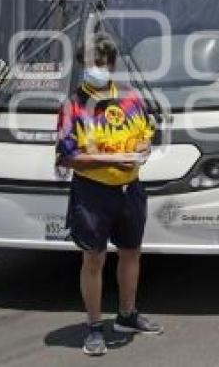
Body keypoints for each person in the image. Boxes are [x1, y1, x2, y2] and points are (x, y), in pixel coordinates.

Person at [56, 33, 163, 357]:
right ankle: (93, 326)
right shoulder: (73, 106)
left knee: (131, 252)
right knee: (94, 259)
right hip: (92, 192)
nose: (94, 69)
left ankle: (127, 315)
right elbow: (67, 155)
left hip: (131, 189)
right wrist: (110, 159)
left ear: (111, 64)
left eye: (99, 63)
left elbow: (147, 132)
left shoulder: (131, 99)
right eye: (89, 64)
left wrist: (143, 147)